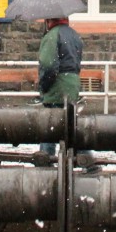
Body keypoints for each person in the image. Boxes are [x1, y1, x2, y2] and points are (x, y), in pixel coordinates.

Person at [37, 16, 83, 155]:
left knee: (49, 126)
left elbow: (48, 65)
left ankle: (45, 162)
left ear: (49, 21)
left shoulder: (52, 36)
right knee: (71, 127)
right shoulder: (75, 35)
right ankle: (86, 160)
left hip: (57, 86)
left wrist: (44, 85)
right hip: (73, 84)